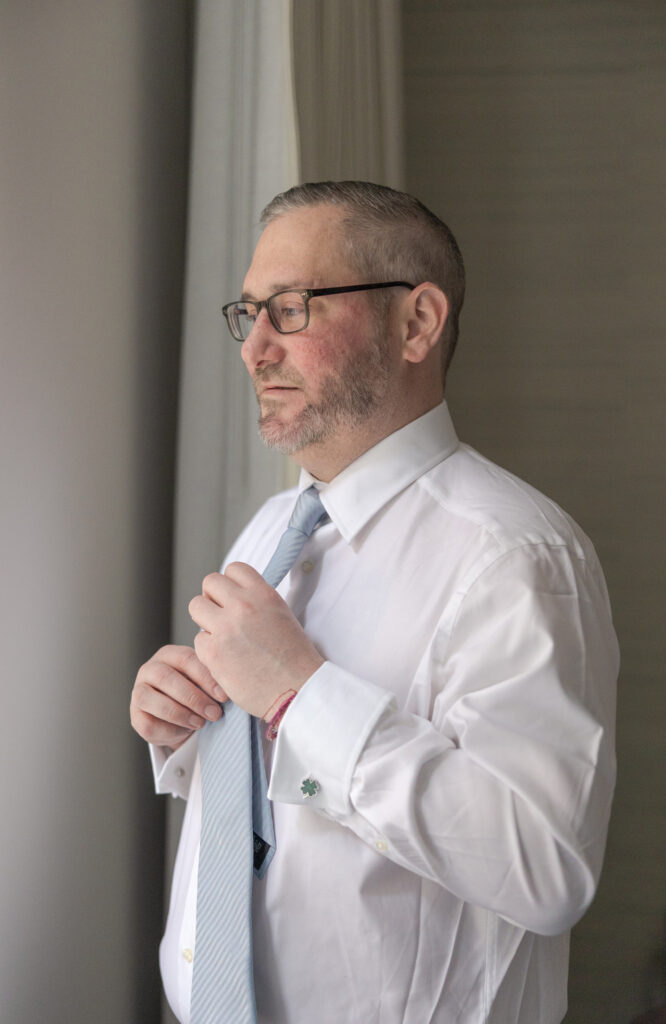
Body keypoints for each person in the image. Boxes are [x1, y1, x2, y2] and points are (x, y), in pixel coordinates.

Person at [130, 181, 618, 1024]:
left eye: (289, 309)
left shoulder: (516, 557)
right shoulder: (273, 530)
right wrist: (188, 724)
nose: (253, 351)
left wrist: (298, 694)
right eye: (247, 315)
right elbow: (274, 801)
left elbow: (544, 870)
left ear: (416, 324)